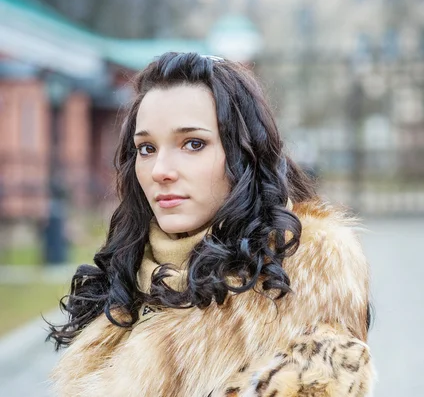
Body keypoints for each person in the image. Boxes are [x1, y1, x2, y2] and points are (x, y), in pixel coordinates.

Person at [48, 52, 374, 397]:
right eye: (146, 148)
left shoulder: (302, 299)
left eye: (193, 144)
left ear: (242, 155)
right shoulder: (126, 278)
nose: (160, 170)